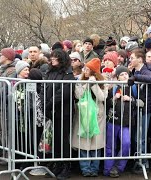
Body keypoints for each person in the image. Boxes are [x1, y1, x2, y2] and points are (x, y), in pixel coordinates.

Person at [104, 66, 143, 178]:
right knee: (110, 146)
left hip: (126, 122)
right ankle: (108, 169)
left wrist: (131, 99)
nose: (125, 76)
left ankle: (118, 167)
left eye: (126, 74)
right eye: (122, 74)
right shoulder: (113, 88)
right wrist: (114, 99)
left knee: (126, 143)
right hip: (113, 121)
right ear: (117, 77)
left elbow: (142, 103)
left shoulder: (134, 87)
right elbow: (106, 103)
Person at [71, 58, 108, 177]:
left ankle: (95, 169)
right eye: (85, 68)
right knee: (84, 143)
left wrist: (94, 85)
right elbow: (78, 95)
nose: (84, 70)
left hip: (97, 116)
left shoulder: (102, 82)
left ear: (93, 71)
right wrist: (86, 84)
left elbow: (102, 98)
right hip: (83, 115)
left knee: (95, 144)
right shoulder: (80, 80)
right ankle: (85, 169)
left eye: (87, 69)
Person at [42, 49, 75, 179]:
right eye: (52, 57)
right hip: (51, 111)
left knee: (63, 140)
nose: (53, 59)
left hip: (63, 112)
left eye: (56, 57)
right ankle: (57, 165)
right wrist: (45, 104)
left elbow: (64, 93)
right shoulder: (50, 72)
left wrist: (49, 104)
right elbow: (44, 88)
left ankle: (66, 166)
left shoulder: (68, 74)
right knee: (55, 140)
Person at [127, 48, 151, 174]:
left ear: (139, 59)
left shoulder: (146, 69)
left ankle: (144, 163)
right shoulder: (134, 70)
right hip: (137, 107)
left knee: (141, 137)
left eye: (132, 58)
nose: (130, 60)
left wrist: (135, 77)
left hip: (145, 109)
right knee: (136, 137)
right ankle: (139, 161)